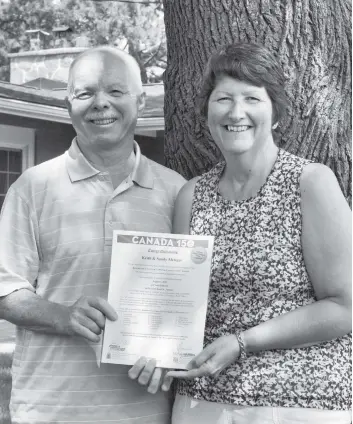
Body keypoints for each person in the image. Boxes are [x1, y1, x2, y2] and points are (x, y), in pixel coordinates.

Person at [129, 43, 352, 423]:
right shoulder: (191, 195)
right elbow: (179, 310)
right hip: (203, 401)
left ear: (276, 114)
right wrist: (157, 351)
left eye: (252, 98)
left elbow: (345, 307)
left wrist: (242, 343)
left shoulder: (311, 183)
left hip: (298, 402)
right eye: (223, 99)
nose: (236, 112)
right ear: (207, 113)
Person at [0, 46, 185, 424]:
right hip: (50, 409)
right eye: (85, 93)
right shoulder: (32, 187)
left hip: (147, 411)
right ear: (69, 105)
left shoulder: (176, 191)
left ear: (140, 101)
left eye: (115, 92)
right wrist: (63, 316)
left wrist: (174, 350)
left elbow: (192, 300)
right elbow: (4, 290)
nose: (101, 104)